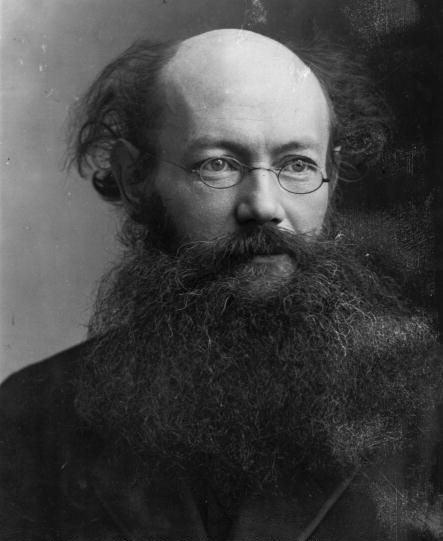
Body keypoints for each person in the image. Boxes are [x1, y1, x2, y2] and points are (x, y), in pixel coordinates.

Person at [1, 29, 442, 540]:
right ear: (134, 177)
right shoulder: (29, 419)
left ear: (333, 176)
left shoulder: (428, 410)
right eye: (219, 164)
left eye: (298, 165)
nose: (264, 206)